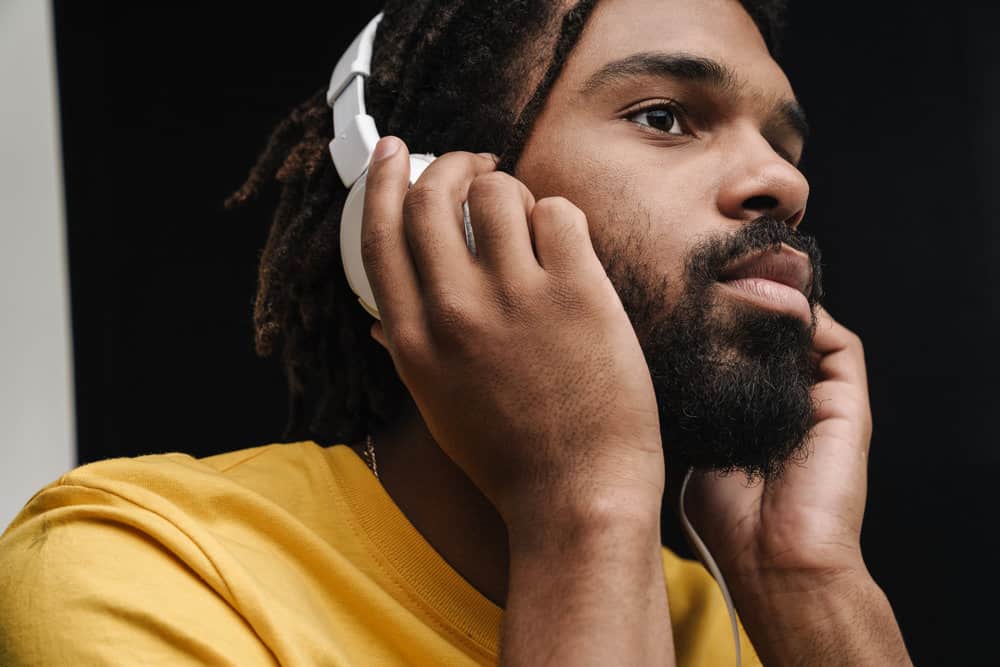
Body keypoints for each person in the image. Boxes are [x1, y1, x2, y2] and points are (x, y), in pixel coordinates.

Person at [0, 0, 913, 664]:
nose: (784, 186)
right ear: (440, 210)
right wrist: (581, 510)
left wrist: (806, 581)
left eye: (785, 149)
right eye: (664, 117)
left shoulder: (738, 623)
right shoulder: (144, 565)